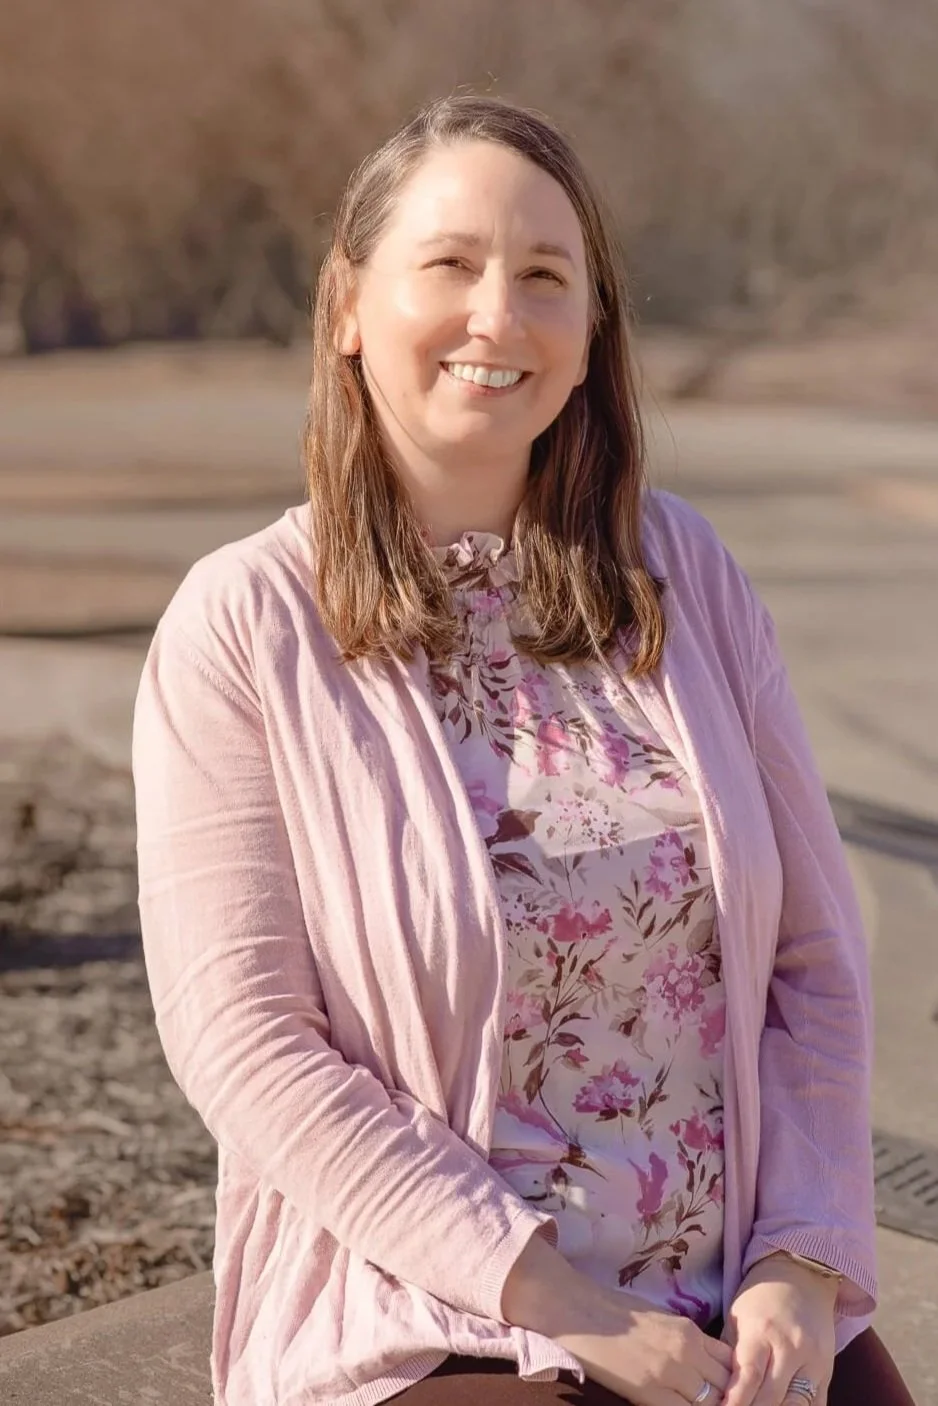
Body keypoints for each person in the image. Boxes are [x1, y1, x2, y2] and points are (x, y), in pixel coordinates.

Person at [132, 95, 915, 1406]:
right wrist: (560, 1302)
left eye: (546, 276)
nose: (499, 315)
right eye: (449, 264)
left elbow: (815, 966)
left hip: (735, 1312)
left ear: (591, 329)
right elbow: (244, 1037)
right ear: (346, 304)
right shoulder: (246, 622)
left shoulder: (688, 580)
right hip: (424, 1315)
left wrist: (801, 1252)